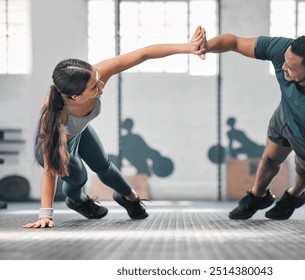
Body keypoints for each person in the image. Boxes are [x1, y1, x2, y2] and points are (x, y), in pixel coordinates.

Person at [23, 26, 206, 229]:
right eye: (94, 87)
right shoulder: (55, 117)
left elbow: (143, 54)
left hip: (78, 132)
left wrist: (187, 48)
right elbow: (50, 172)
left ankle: (130, 197)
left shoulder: (95, 76)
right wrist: (45, 215)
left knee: (104, 165)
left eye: (98, 79)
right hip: (57, 144)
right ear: (75, 96)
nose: (101, 85)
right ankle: (77, 200)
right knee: (79, 177)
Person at [200, 32, 305, 229]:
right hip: (285, 115)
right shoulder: (283, 50)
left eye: (291, 67)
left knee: (303, 169)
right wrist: (205, 46)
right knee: (269, 159)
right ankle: (257, 196)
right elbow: (234, 42)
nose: (283, 66)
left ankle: (294, 195)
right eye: (285, 61)